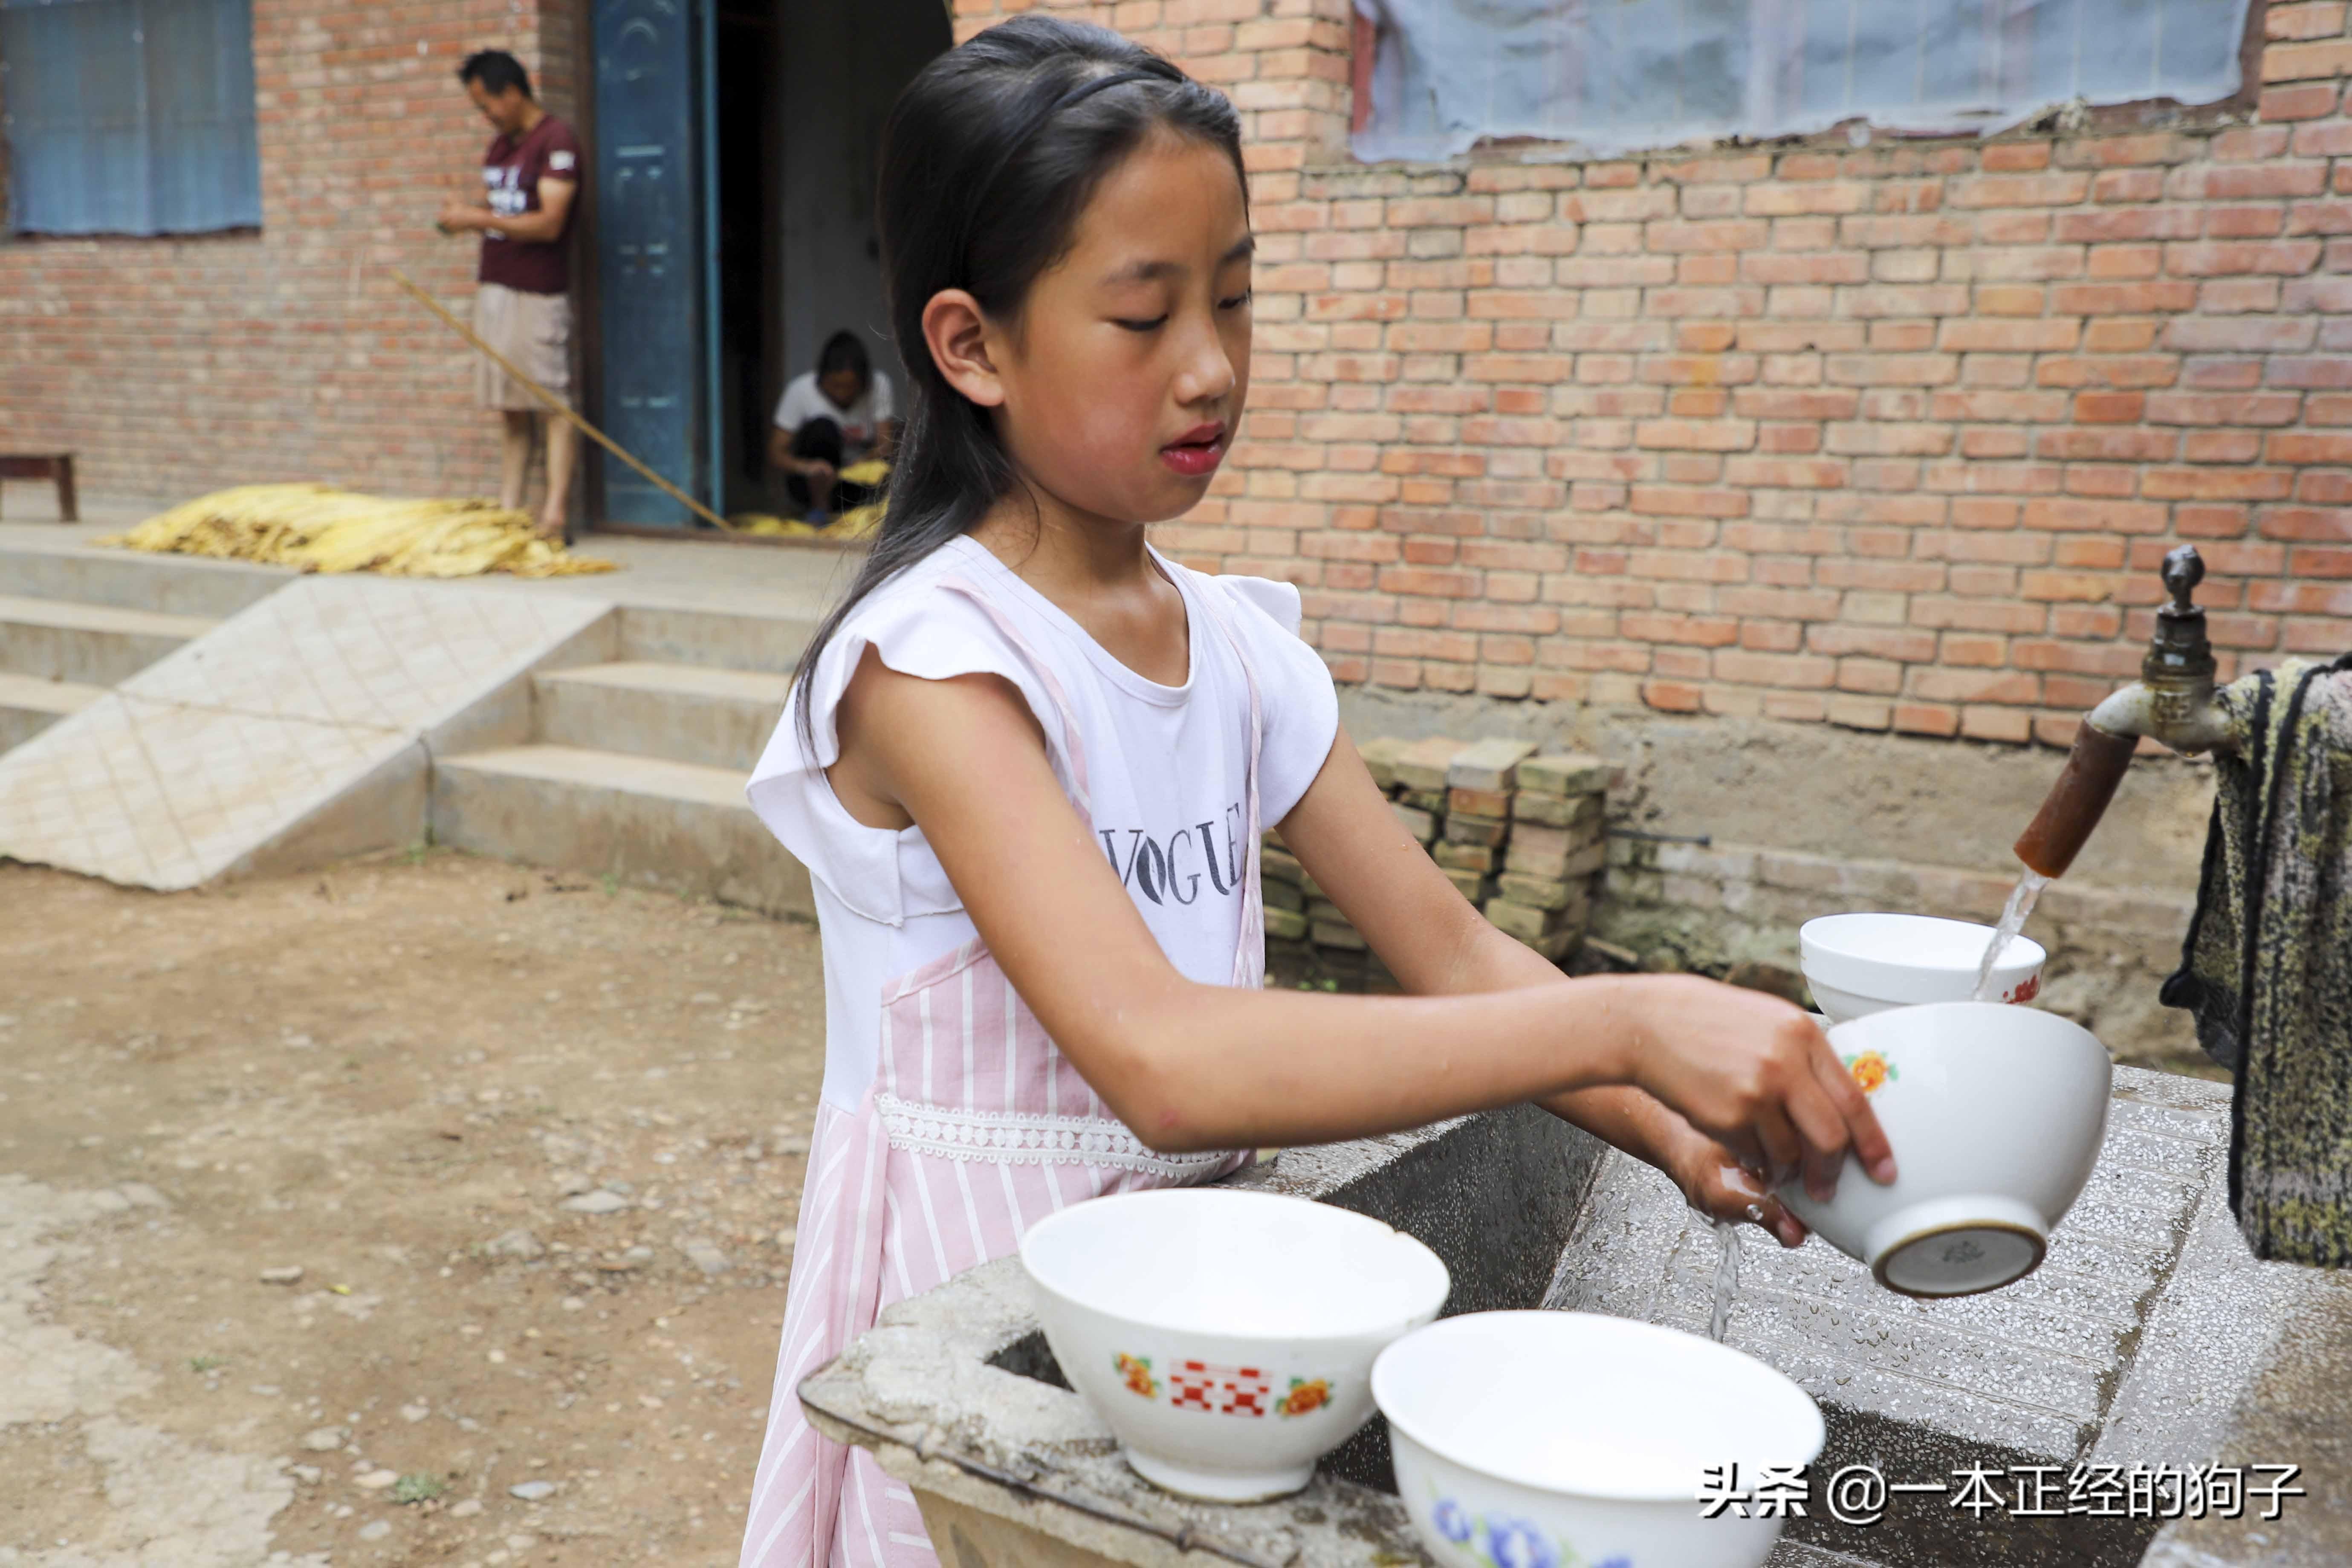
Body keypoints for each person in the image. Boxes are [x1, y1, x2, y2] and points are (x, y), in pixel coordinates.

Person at [735, 20, 1895, 1568]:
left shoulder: (1233, 647)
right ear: (972, 347)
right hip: (987, 1299)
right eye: (1141, 315)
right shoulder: (936, 665)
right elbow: (1160, 1059)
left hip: (1209, 1304)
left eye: (1233, 298)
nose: (1210, 365)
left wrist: (1674, 1127)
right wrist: (1629, 1019)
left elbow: (1457, 952)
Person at [437, 49, 583, 542]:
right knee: (511, 407)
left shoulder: (556, 140)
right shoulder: (501, 147)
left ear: (513, 92)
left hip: (538, 293)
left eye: (486, 105)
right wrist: (470, 211)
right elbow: (507, 208)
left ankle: (554, 518)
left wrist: (478, 220)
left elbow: (548, 222)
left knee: (552, 404)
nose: (485, 116)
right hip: (496, 287)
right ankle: (511, 513)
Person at [769, 331, 899, 524]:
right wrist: (807, 467)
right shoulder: (801, 391)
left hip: (856, 481)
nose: (842, 394)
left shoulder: (879, 386)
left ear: (864, 382)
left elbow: (885, 445)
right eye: (835, 386)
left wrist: (861, 462)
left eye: (850, 387)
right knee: (823, 427)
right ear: (822, 378)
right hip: (810, 483)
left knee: (904, 436)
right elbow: (775, 453)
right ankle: (819, 511)